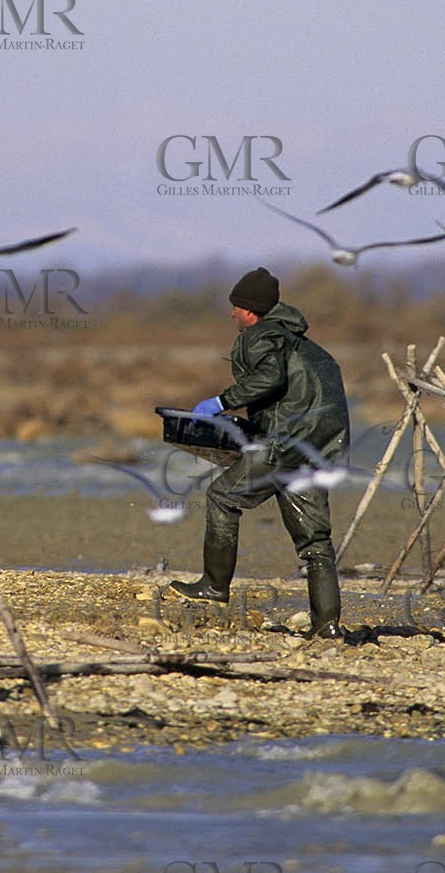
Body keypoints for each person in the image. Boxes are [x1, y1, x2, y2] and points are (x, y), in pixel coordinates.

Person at [169, 267, 351, 639]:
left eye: (235, 307)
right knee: (315, 541)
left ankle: (214, 586)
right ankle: (327, 626)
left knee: (221, 496)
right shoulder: (311, 349)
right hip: (317, 451)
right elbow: (292, 393)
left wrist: (224, 401)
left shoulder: (259, 335)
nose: (231, 314)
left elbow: (271, 379)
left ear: (249, 311)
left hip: (285, 445)